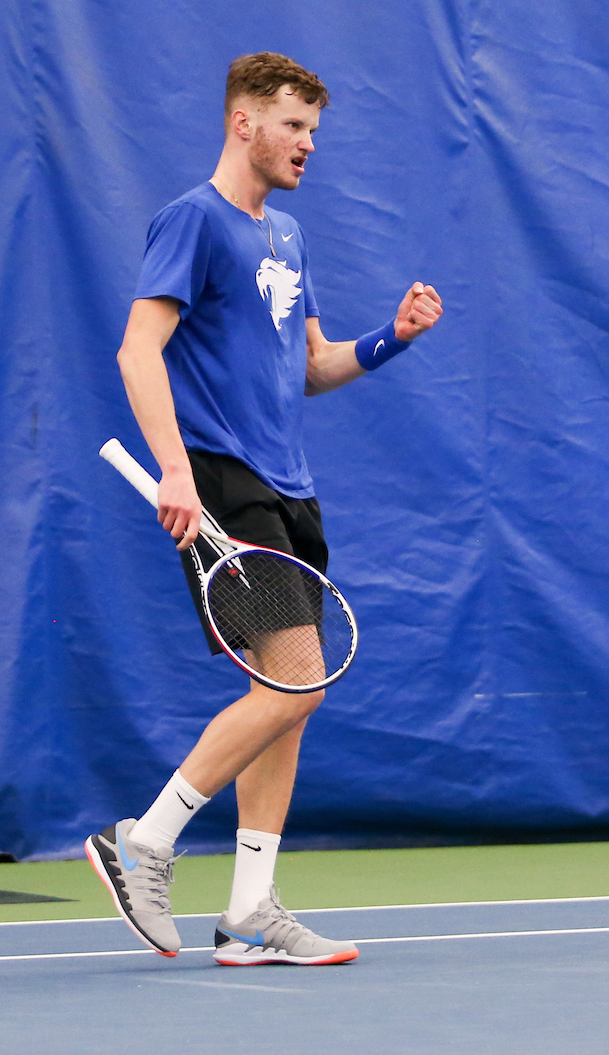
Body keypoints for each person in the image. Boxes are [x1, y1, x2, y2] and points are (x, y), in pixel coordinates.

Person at [86, 52, 443, 966]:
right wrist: (175, 470)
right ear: (243, 122)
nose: (307, 144)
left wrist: (392, 340)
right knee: (298, 683)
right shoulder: (194, 220)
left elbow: (312, 365)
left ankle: (249, 914)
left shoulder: (287, 235)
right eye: (293, 126)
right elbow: (138, 350)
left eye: (313, 130)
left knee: (285, 699)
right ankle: (145, 841)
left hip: (291, 486)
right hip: (222, 480)